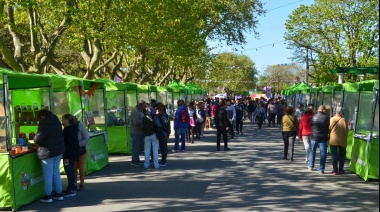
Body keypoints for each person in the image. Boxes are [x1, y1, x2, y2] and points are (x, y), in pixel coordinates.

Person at [34, 109, 65, 203]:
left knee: (48, 174)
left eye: (39, 118)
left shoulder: (44, 124)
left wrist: (34, 139)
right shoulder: (57, 121)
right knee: (56, 172)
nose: (39, 120)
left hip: (47, 152)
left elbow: (38, 139)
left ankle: (48, 196)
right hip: (59, 151)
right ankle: (59, 193)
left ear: (42, 116)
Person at [61, 114, 80, 197]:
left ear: (67, 120)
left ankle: (71, 189)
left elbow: (69, 145)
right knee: (70, 171)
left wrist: (66, 156)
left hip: (69, 154)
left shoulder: (68, 130)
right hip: (72, 153)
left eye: (63, 119)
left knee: (69, 171)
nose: (62, 121)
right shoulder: (71, 129)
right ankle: (71, 187)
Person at [309, 105, 330, 174]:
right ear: (323, 110)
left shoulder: (313, 116)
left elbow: (311, 125)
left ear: (318, 109)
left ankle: (311, 165)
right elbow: (327, 127)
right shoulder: (326, 117)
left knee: (312, 151)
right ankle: (321, 168)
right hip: (323, 137)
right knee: (323, 153)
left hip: (314, 136)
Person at [329, 107, 348, 175]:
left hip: (333, 139)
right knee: (342, 156)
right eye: (342, 113)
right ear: (340, 113)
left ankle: (335, 170)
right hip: (342, 140)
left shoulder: (332, 119)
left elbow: (329, 128)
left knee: (334, 155)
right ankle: (341, 170)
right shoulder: (344, 120)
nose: (343, 114)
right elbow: (346, 130)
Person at [73, 116, 90, 191]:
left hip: (82, 150)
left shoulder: (81, 126)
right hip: (73, 150)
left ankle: (82, 183)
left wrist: (77, 144)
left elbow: (87, 138)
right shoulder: (70, 127)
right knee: (74, 167)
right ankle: (74, 183)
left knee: (81, 167)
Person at [129, 101, 147, 166]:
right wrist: (144, 120)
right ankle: (134, 160)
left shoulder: (140, 111)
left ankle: (137, 159)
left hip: (140, 131)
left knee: (139, 146)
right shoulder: (135, 112)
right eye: (144, 107)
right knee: (135, 146)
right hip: (135, 131)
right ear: (140, 106)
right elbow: (136, 122)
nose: (144, 108)